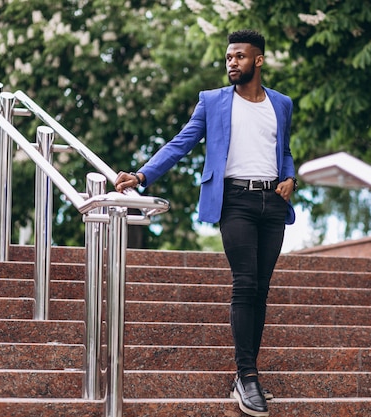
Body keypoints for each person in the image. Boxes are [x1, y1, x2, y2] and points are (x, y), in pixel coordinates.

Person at [115, 29, 296, 417]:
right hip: (235, 201)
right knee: (245, 283)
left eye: (240, 57)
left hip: (273, 203)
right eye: (229, 57)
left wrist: (290, 176)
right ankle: (247, 376)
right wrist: (143, 176)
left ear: (258, 61)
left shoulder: (281, 104)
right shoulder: (212, 102)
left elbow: (285, 151)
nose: (232, 62)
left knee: (261, 289)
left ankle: (246, 373)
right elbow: (182, 142)